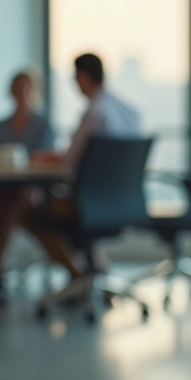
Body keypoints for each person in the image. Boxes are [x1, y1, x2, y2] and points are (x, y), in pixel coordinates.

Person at [22, 53, 143, 277]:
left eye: (75, 78)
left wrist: (45, 158)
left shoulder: (95, 113)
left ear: (83, 77)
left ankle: (76, 272)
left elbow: (70, 162)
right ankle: (94, 267)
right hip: (123, 200)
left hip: (90, 204)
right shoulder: (129, 111)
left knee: (24, 208)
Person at [0, 70, 57, 288]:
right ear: (11, 91)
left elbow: (46, 158)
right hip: (4, 189)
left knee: (10, 205)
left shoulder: (43, 125)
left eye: (27, 87)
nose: (22, 92)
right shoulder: (0, 126)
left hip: (34, 192)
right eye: (18, 87)